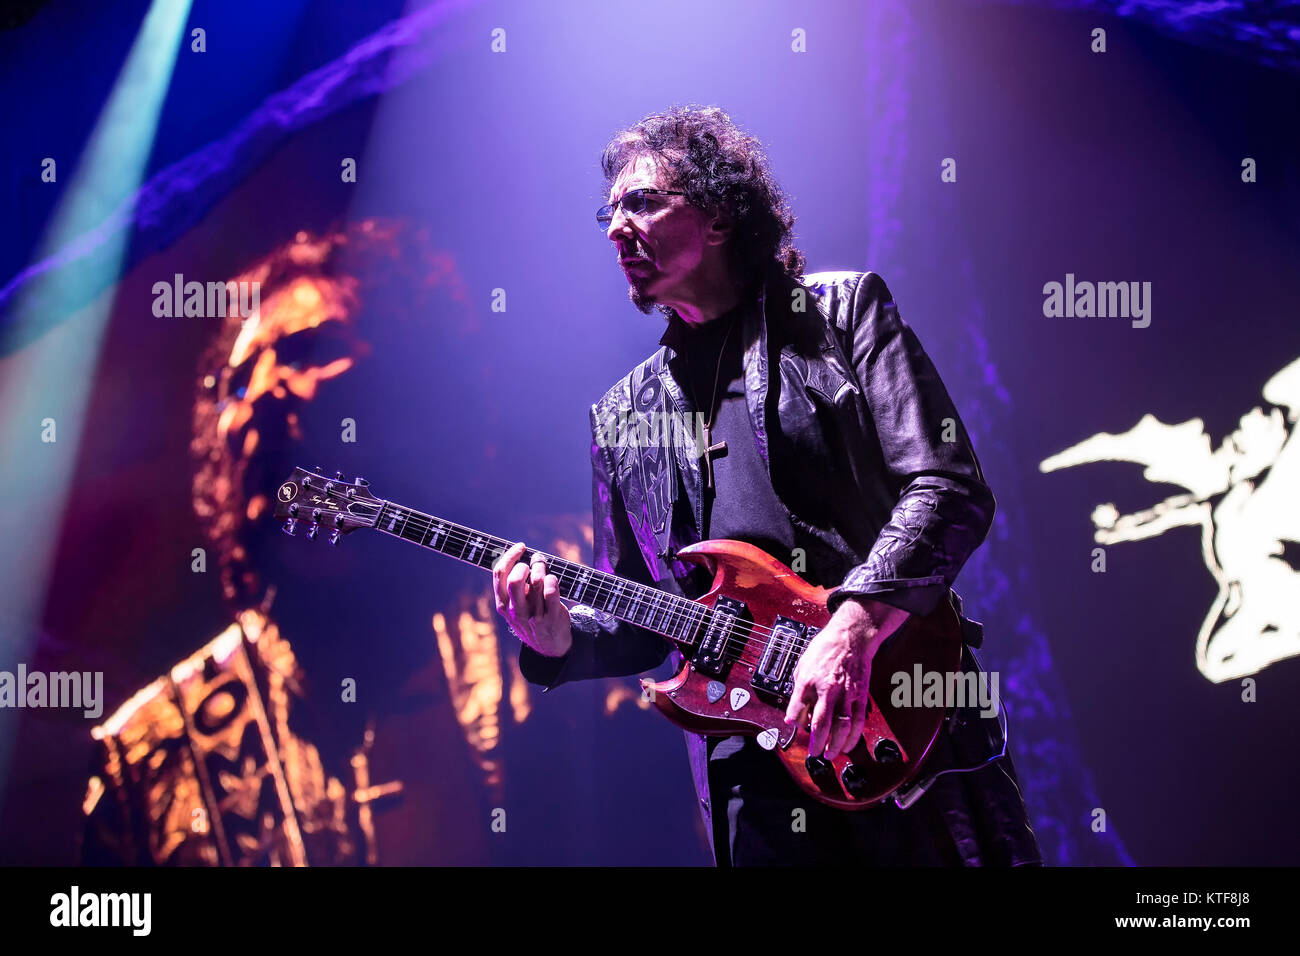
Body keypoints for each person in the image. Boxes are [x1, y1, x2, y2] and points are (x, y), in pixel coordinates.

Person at [493, 105, 1043, 866]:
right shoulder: (622, 416)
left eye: (642, 202)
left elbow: (948, 487)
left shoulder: (840, 314)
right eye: (607, 211)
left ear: (718, 217)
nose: (616, 227)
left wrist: (850, 629)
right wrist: (559, 639)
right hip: (753, 770)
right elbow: (643, 610)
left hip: (900, 720)